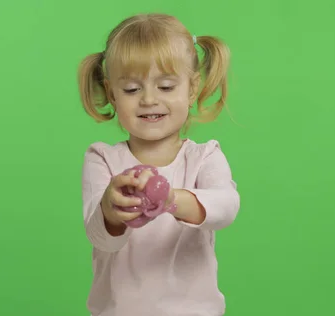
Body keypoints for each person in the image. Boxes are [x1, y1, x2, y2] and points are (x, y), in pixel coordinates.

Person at [77, 13, 241, 316]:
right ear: (112, 93)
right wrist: (113, 209)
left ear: (191, 90)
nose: (149, 99)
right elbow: (99, 237)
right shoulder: (103, 159)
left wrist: (170, 200)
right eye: (131, 90)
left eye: (165, 86)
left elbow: (226, 206)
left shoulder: (204, 157)